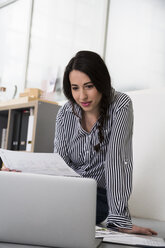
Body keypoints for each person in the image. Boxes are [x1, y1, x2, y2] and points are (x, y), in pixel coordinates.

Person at [54, 50, 157, 235]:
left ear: (101, 82)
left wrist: (119, 219)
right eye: (75, 88)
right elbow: (59, 164)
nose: (82, 96)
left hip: (97, 196)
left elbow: (116, 160)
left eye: (89, 86)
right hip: (66, 192)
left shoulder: (120, 105)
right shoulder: (65, 112)